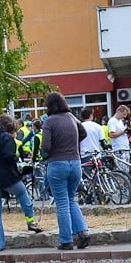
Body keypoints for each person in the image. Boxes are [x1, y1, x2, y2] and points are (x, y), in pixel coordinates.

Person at [0, 114, 43, 252]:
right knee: (22, 192)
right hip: (6, 177)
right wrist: (17, 159)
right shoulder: (6, 138)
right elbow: (9, 157)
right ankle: (30, 221)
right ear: (10, 127)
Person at [41, 92, 90, 251]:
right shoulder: (71, 117)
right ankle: (83, 232)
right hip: (75, 163)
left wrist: (48, 153)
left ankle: (66, 240)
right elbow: (83, 133)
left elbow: (46, 146)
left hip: (57, 163)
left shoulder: (49, 121)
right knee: (70, 199)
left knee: (62, 202)